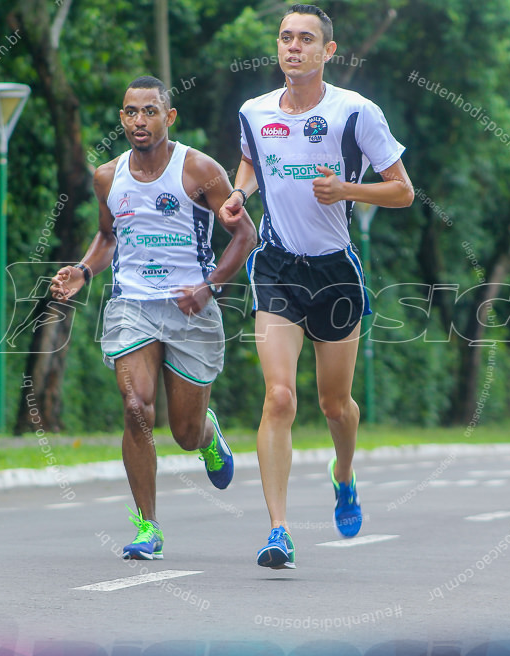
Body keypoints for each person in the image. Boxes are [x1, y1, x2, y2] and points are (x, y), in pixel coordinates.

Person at [219, 4, 414, 569]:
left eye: (306, 39)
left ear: (328, 52)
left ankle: (343, 474)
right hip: (278, 266)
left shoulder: (355, 113)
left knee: (336, 405)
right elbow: (252, 162)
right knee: (279, 397)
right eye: (286, 38)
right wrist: (240, 193)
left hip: (334, 273)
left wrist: (347, 190)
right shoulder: (254, 111)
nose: (294, 47)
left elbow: (401, 191)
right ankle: (279, 529)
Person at [51, 76, 257, 560]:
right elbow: (107, 237)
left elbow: (244, 235)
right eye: (130, 112)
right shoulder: (108, 177)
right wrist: (83, 270)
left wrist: (210, 287)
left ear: (169, 117)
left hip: (193, 305)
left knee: (183, 434)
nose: (139, 121)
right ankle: (148, 526)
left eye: (149, 112)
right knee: (136, 408)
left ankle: (207, 432)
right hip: (133, 304)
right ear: (121, 118)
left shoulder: (200, 171)